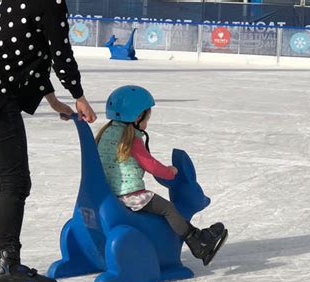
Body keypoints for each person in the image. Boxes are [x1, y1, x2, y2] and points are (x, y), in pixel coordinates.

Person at [0, 0, 96, 282]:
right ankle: (7, 264)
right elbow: (59, 52)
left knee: (2, 178)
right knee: (15, 182)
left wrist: (53, 100)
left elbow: (26, 51)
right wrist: (78, 94)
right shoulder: (49, 2)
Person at [96, 85, 227, 266]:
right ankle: (198, 243)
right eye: (146, 118)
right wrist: (169, 172)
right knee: (168, 209)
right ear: (137, 117)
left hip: (107, 194)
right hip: (130, 196)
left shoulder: (106, 134)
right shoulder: (131, 139)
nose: (146, 124)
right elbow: (151, 165)